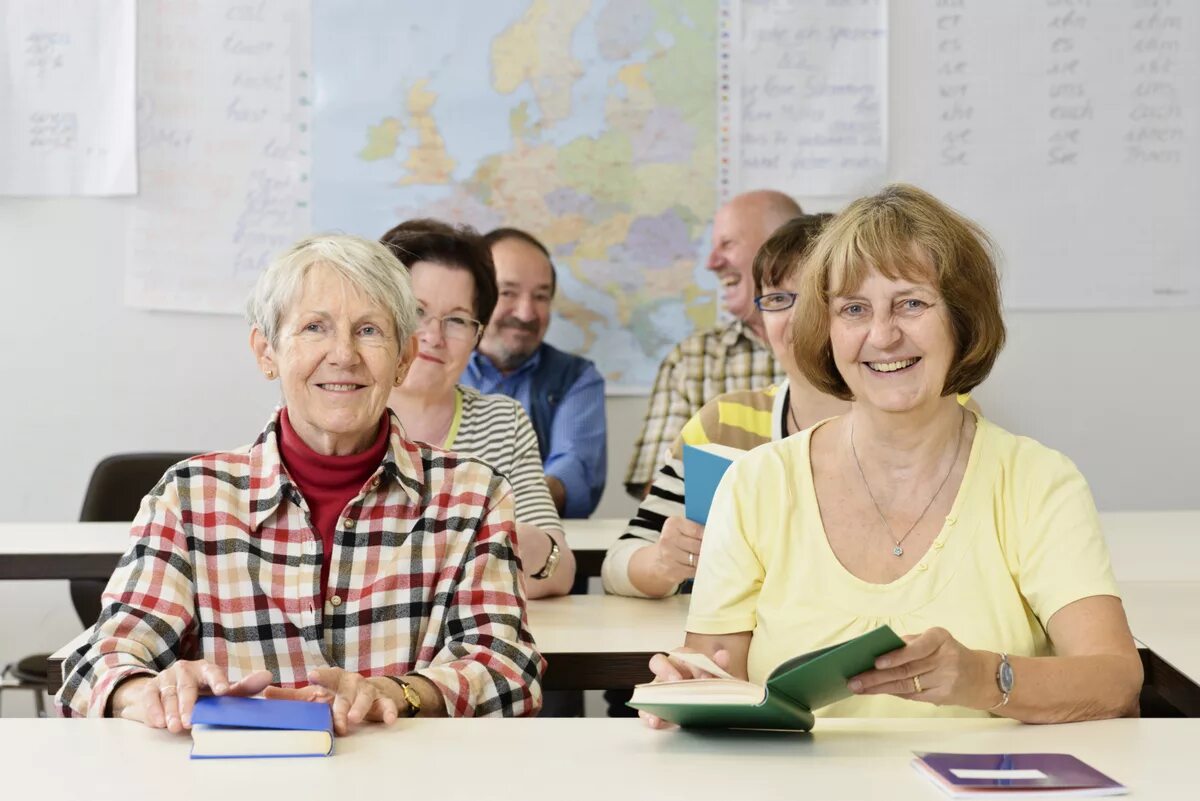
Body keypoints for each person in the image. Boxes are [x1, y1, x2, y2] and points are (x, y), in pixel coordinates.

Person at [642, 184, 1143, 725]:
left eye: (911, 303)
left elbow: (1115, 681)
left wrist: (981, 677)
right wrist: (686, 693)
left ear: (962, 318)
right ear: (826, 329)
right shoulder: (756, 484)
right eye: (854, 309)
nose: (882, 335)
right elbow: (714, 672)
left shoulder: (1037, 481)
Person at [56, 235, 544, 727]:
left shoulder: (472, 496)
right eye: (315, 328)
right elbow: (98, 662)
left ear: (403, 358)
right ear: (266, 351)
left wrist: (398, 693)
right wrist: (148, 692)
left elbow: (508, 668)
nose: (344, 354)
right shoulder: (188, 498)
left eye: (370, 330)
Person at [603, 214, 847, 598]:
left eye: (820, 297)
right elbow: (618, 564)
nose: (798, 318)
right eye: (779, 299)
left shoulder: (924, 419)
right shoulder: (723, 422)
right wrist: (665, 561)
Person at [381, 219, 576, 599]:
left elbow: (558, 569)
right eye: (417, 312)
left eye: (456, 320)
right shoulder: (338, 410)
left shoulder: (503, 422)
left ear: (477, 334)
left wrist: (492, 536)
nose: (433, 337)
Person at [624, 190, 802, 498]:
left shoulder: (851, 352)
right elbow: (658, 486)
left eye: (728, 244)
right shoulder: (691, 359)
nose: (711, 262)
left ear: (779, 246)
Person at [460, 227, 607, 518]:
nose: (526, 313)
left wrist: (493, 508)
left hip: (538, 545)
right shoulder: (432, 367)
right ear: (476, 297)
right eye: (508, 293)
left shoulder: (577, 377)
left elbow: (573, 468)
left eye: (540, 297)